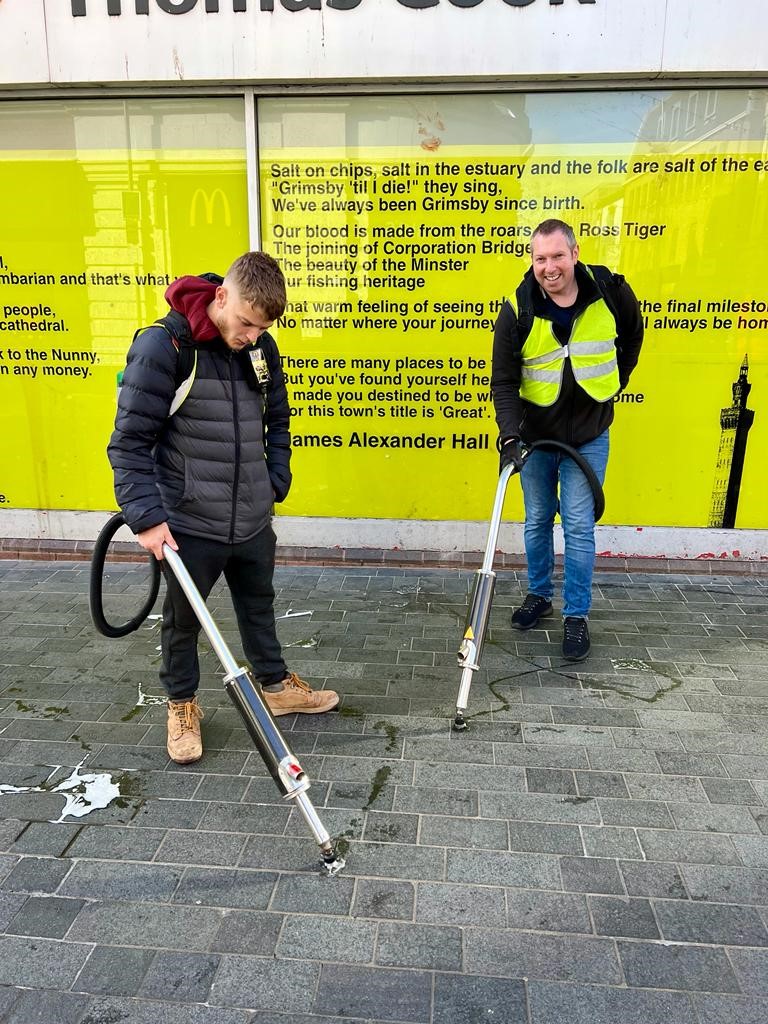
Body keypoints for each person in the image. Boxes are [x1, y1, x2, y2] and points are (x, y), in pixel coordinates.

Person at [108, 251, 339, 764]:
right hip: (190, 519)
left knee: (259, 605)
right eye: (246, 323)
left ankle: (276, 688)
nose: (252, 335)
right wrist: (146, 517)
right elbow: (128, 443)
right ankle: (182, 706)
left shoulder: (261, 349)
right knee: (184, 621)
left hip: (252, 514)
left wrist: (273, 479)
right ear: (221, 297)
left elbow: (277, 419)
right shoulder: (164, 347)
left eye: (262, 328)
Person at [491, 219, 643, 661]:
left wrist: (615, 383)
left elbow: (632, 337)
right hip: (537, 439)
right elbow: (504, 381)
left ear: (574, 254)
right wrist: (510, 436)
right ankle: (539, 595)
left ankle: (577, 616)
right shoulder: (516, 308)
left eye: (557, 256)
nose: (549, 267)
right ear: (532, 261)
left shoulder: (612, 292)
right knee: (537, 519)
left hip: (589, 435)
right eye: (540, 258)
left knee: (578, 525)